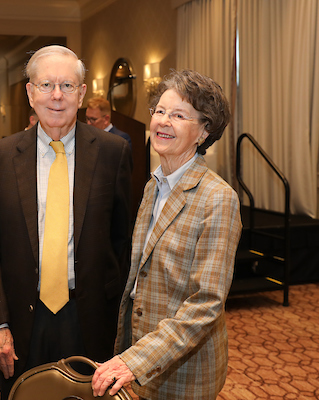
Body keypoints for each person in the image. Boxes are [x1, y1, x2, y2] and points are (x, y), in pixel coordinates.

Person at [0, 45, 133, 400]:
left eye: (67, 85)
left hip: (90, 319)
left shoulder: (113, 153)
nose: (57, 95)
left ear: (82, 93)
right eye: (46, 85)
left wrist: (118, 323)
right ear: (30, 93)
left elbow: (121, 242)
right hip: (20, 323)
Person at [91, 69, 242, 400]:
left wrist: (136, 361)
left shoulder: (217, 198)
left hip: (183, 370)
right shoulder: (153, 186)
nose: (162, 121)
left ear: (204, 131)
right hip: (139, 348)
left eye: (178, 115)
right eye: (159, 111)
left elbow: (206, 303)